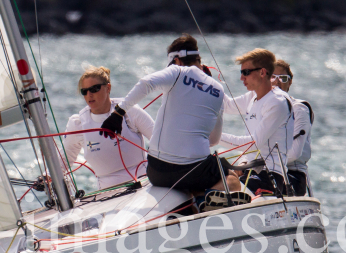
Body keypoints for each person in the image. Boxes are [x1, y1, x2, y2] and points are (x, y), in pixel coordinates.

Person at [99, 34, 241, 195]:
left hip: (157, 172)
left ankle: (199, 199)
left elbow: (146, 83)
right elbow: (214, 140)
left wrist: (118, 113)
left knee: (195, 174)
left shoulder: (177, 72)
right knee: (231, 177)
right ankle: (203, 199)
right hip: (195, 171)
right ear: (199, 59)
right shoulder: (218, 89)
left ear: (176, 61)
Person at [62, 66, 155, 190]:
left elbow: (158, 138)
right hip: (107, 193)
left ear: (108, 88)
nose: (89, 95)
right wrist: (46, 177)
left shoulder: (129, 110)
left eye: (94, 89)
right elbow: (64, 160)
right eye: (84, 91)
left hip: (143, 183)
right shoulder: (78, 123)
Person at [218, 48, 294, 196]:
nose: (241, 78)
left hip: (270, 176)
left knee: (225, 190)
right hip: (249, 170)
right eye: (241, 72)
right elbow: (225, 105)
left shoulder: (277, 102)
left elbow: (252, 144)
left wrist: (214, 137)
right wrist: (204, 80)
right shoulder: (252, 96)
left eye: (246, 72)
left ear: (262, 72)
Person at [273, 59, 314, 197]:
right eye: (273, 77)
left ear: (290, 82)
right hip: (268, 172)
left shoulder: (299, 109)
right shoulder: (261, 109)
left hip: (292, 176)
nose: (277, 82)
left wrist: (265, 164)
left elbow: (295, 153)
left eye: (283, 78)